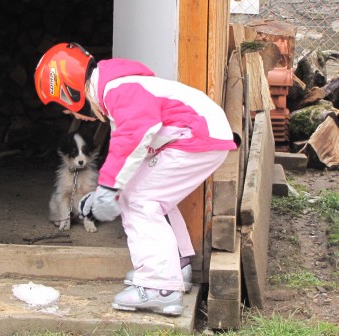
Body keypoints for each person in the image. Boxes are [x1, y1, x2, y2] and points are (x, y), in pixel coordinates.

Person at [34, 42, 238, 316]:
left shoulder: (117, 90)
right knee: (148, 196)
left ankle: (159, 288)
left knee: (142, 200)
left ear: (70, 90)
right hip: (200, 135)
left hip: (195, 137)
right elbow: (134, 156)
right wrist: (102, 195)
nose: (73, 115)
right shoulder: (117, 88)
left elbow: (133, 139)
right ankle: (175, 267)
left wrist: (107, 189)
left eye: (66, 108)